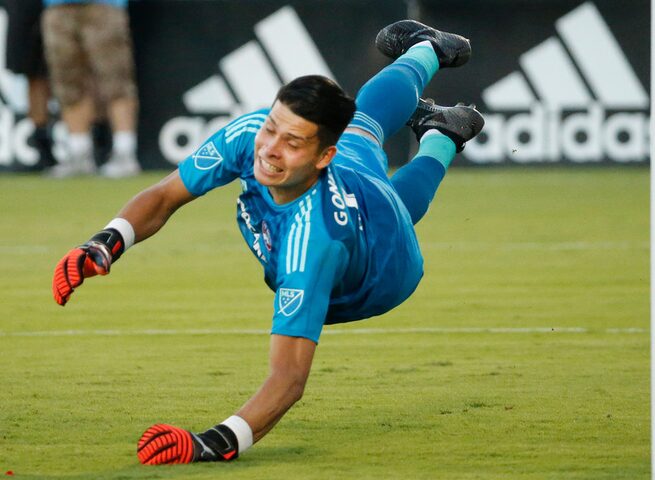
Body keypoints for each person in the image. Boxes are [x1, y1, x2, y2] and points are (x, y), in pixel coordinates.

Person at [51, 20, 484, 464]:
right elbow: (164, 196)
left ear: (321, 157)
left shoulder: (312, 243)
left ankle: (441, 137)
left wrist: (215, 441)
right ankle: (430, 52)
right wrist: (105, 242)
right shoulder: (252, 135)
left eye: (292, 142)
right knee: (361, 125)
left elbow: (288, 380)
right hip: (345, 186)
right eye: (273, 127)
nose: (270, 149)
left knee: (397, 211)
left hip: (384, 273)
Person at [40, 0, 140, 178]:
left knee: (116, 78)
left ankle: (125, 152)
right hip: (58, 6)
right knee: (68, 84)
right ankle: (79, 152)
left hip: (103, 5)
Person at [4, 0, 56, 170]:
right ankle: (43, 146)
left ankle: (90, 143)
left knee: (79, 75)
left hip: (66, 7)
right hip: (25, 8)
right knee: (33, 74)